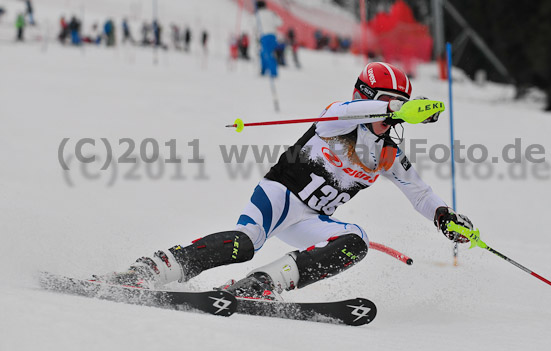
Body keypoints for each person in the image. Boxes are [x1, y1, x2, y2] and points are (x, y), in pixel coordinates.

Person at [96, 62, 473, 300]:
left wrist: (445, 217)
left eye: (399, 107)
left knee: (356, 240)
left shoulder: (388, 152)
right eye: (388, 105)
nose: (393, 118)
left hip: (311, 220)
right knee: (244, 243)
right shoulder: (338, 120)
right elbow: (345, 110)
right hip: (279, 196)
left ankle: (259, 285)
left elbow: (420, 193)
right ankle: (150, 270)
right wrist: (394, 106)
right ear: (367, 98)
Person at [255, 0, 282, 77]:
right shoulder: (271, 13)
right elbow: (279, 22)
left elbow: (252, 23)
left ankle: (271, 72)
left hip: (264, 35)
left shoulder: (258, 14)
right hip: (272, 36)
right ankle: (265, 70)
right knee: (266, 53)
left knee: (266, 53)